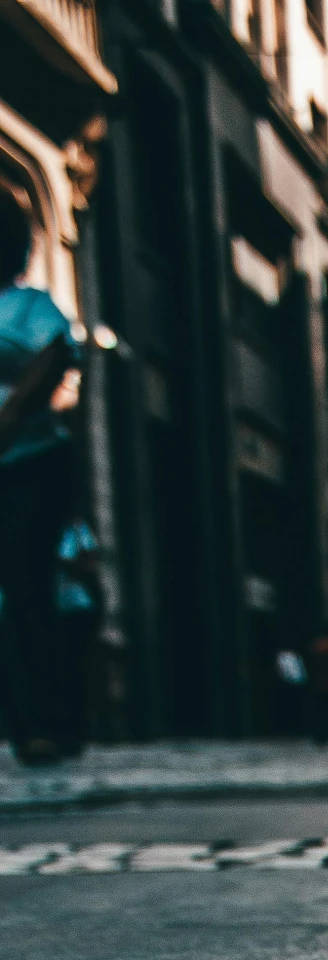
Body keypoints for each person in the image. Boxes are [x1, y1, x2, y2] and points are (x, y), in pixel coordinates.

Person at [0, 188, 79, 763]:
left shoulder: (29, 307)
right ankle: (23, 720)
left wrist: (12, 413)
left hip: (32, 467)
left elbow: (55, 355)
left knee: (28, 590)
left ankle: (45, 724)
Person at [54, 513, 100, 754]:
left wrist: (59, 561)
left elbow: (89, 563)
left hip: (73, 608)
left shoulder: (76, 527)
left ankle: (75, 728)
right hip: (43, 610)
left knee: (73, 668)